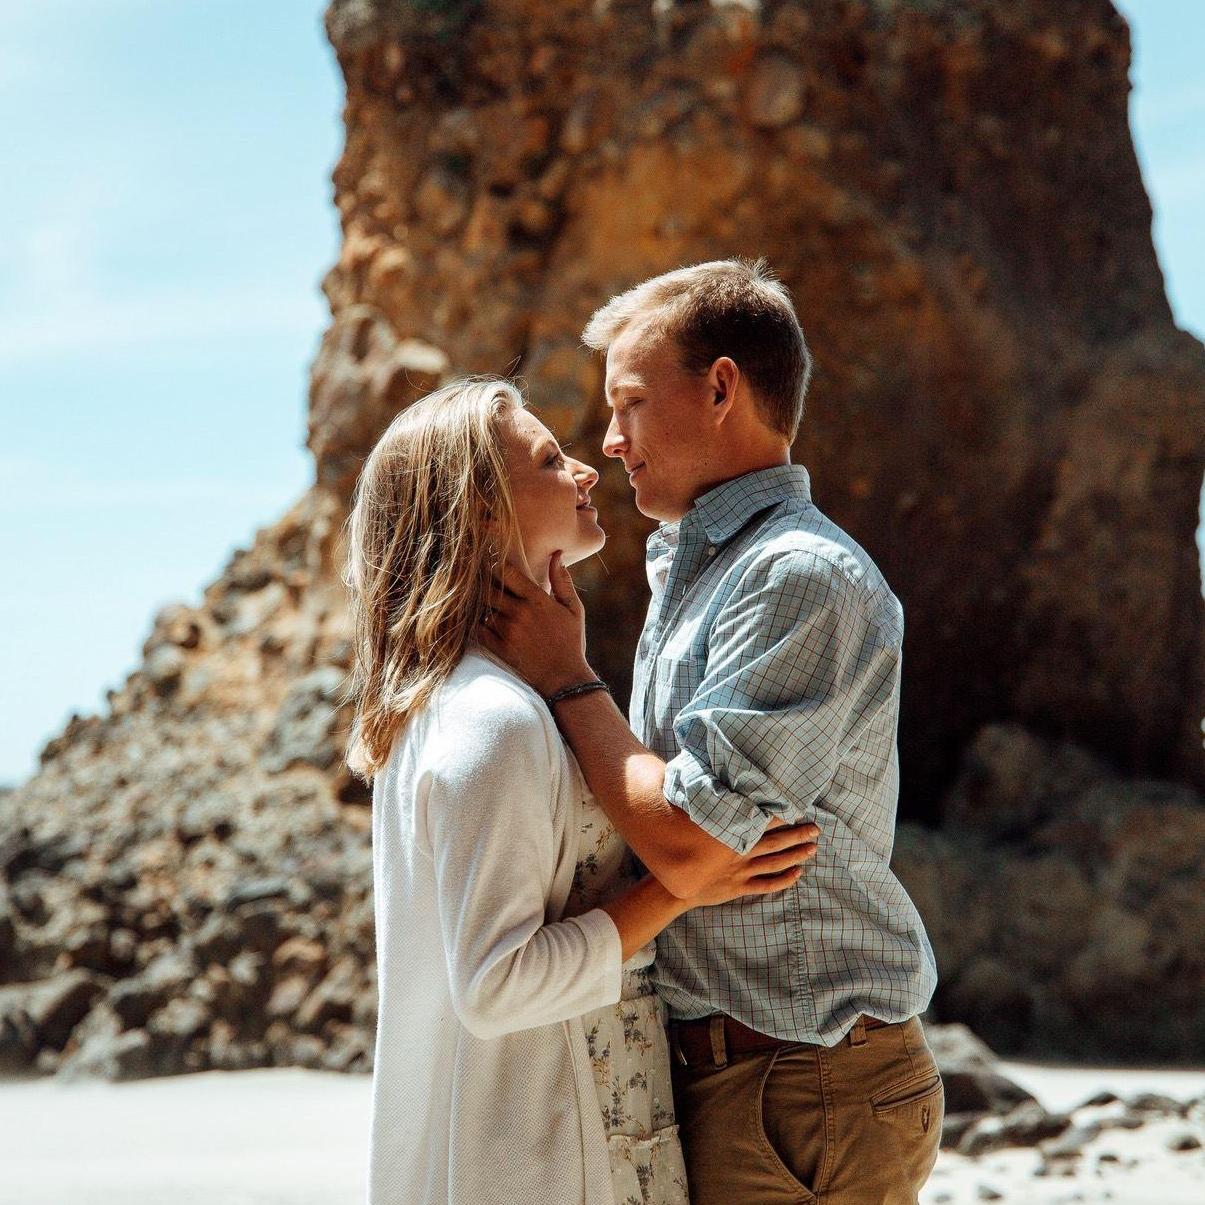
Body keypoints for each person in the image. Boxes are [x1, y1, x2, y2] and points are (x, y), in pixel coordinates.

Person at [479, 259, 944, 1205]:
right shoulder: (704, 574)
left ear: (722, 387)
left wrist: (568, 678)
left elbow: (687, 835)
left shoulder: (796, 577)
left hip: (804, 1082)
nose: (609, 441)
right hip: (754, 1075)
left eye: (632, 403)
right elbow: (664, 824)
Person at [342, 375, 820, 1205]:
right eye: (547, 459)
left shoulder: (453, 702)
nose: (586, 468)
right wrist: (679, 884)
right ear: (482, 509)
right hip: (543, 1160)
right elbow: (498, 985)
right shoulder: (492, 719)